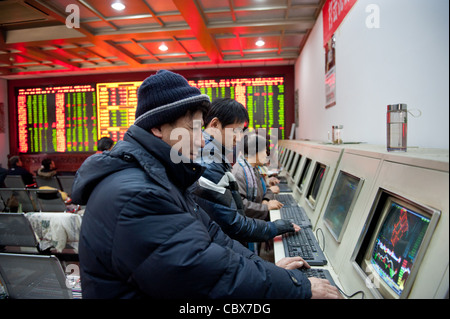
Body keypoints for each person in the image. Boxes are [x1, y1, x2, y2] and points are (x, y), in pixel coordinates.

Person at [71, 70, 340, 299]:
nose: (201, 142)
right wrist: (298, 287)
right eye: (193, 129)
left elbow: (216, 240)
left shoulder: (164, 177)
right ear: (157, 128)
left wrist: (269, 271)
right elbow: (205, 272)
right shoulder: (137, 193)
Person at [191, 98, 299, 244]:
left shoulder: (214, 157)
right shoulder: (209, 161)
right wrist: (276, 227)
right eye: (236, 131)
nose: (239, 138)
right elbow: (232, 224)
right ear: (215, 124)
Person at [232, 133, 284, 221]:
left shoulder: (255, 169)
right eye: (264, 151)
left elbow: (267, 189)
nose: (266, 155)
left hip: (258, 217)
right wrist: (265, 207)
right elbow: (241, 205)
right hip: (249, 222)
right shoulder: (239, 173)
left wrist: (265, 200)